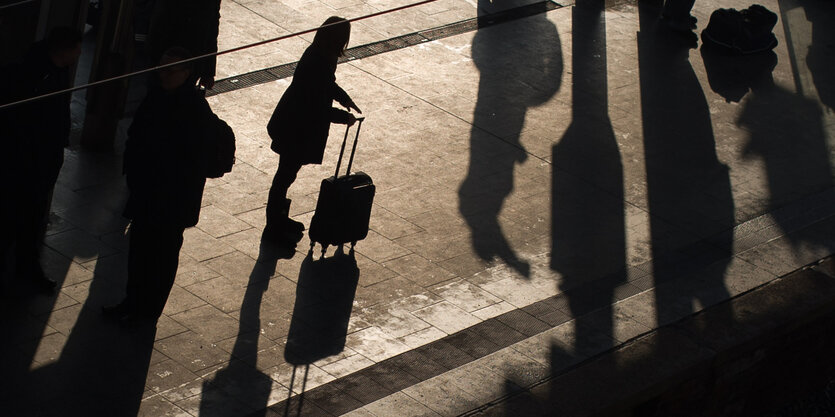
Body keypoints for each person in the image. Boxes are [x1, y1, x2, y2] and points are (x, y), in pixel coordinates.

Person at [103, 47, 215, 325]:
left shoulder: (195, 108)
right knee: (139, 252)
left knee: (160, 258)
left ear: (187, 73)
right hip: (147, 192)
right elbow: (137, 133)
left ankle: (147, 313)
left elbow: (194, 157)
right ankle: (132, 302)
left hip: (172, 200)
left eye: (171, 70)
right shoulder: (157, 95)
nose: (163, 74)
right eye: (161, 68)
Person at [264, 16, 362, 249]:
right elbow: (316, 106)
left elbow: (327, 86)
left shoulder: (319, 53)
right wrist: (343, 117)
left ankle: (278, 221)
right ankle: (273, 228)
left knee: (285, 175)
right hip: (297, 128)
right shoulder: (320, 60)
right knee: (284, 177)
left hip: (294, 124)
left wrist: (344, 98)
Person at [0, 27, 82, 295]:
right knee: (16, 216)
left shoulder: (55, 70)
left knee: (30, 217)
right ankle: (23, 268)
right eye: (76, 48)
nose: (80, 53)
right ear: (64, 50)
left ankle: (26, 267)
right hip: (27, 160)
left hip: (42, 157)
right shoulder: (33, 76)